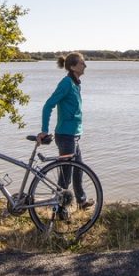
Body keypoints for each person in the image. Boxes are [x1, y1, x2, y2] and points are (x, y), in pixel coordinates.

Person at [37, 52, 95, 214]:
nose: (85, 65)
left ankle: (81, 201)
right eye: (82, 63)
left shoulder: (75, 83)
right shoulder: (66, 83)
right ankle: (59, 208)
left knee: (79, 169)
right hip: (65, 136)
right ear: (73, 67)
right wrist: (44, 130)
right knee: (66, 175)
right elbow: (48, 105)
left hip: (73, 136)